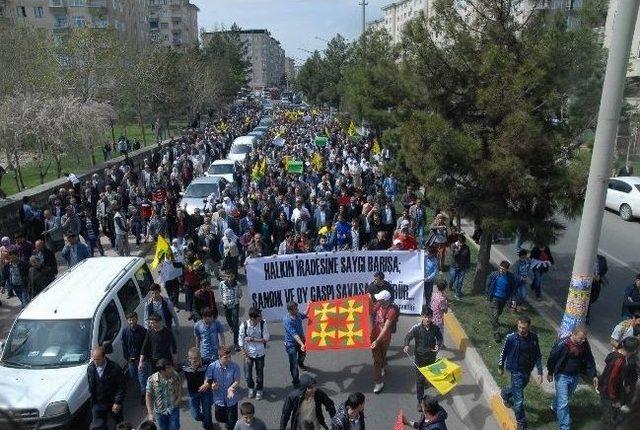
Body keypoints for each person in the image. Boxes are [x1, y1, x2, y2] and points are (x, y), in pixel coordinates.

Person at [546, 326, 598, 430]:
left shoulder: (584, 344)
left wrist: (593, 375)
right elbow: (552, 358)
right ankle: (564, 426)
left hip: (575, 376)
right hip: (562, 376)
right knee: (564, 402)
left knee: (565, 398)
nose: (583, 340)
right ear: (573, 335)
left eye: (584, 338)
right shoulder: (562, 344)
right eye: (580, 338)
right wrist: (550, 372)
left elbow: (589, 359)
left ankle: (554, 406)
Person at [498, 316, 543, 430]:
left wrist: (540, 371)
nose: (521, 330)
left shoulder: (533, 338)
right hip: (516, 371)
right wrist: (500, 365)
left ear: (529, 327)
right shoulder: (511, 338)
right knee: (519, 400)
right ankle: (521, 423)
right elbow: (504, 352)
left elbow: (537, 354)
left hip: (527, 371)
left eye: (524, 328)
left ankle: (505, 394)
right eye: (519, 327)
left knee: (515, 389)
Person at [403, 306, 443, 408]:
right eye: (426, 317)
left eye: (430, 317)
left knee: (429, 376)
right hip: (419, 360)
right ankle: (420, 401)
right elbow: (408, 336)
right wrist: (406, 345)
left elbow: (440, 338)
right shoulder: (416, 328)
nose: (428, 319)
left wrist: (438, 345)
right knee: (419, 380)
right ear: (422, 316)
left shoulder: (435, 328)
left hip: (431, 358)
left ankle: (427, 381)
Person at [599, 336, 639, 429]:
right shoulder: (619, 361)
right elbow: (611, 381)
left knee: (610, 416)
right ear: (633, 350)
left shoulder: (617, 356)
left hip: (611, 394)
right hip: (609, 395)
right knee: (608, 422)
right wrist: (614, 399)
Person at [87, 346, 125, 429]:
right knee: (98, 426)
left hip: (113, 402)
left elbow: (121, 386)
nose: (95, 362)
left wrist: (118, 402)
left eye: (98, 359)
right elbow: (91, 384)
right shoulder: (91, 368)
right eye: (94, 359)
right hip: (98, 403)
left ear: (104, 357)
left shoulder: (115, 368)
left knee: (119, 424)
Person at [205, 346, 241, 430]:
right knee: (219, 418)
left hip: (231, 399)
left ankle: (231, 425)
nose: (229, 359)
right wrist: (211, 385)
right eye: (226, 357)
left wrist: (231, 388)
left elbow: (237, 381)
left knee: (232, 424)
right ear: (219, 357)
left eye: (230, 357)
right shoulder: (212, 367)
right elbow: (207, 380)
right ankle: (228, 422)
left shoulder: (235, 366)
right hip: (219, 399)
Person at [370, 290, 399, 394]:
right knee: (377, 360)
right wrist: (368, 298)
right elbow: (370, 311)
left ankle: (383, 365)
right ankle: (378, 383)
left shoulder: (392, 311)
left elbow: (386, 327)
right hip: (374, 336)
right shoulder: (378, 304)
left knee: (383, 354)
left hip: (384, 338)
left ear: (385, 301)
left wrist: (377, 341)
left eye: (380, 300)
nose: (377, 301)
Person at [239, 307, 270, 400]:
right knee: (248, 375)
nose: (260, 318)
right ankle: (251, 388)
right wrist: (245, 354)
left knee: (259, 374)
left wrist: (253, 339)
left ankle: (259, 389)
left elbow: (266, 338)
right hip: (248, 353)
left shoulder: (263, 324)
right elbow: (240, 341)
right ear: (252, 318)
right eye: (258, 317)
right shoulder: (244, 325)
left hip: (260, 353)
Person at [145, 358, 182, 430]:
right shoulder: (152, 380)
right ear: (162, 371)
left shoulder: (175, 375)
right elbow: (148, 396)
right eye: (169, 368)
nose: (172, 369)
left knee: (175, 428)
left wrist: (179, 398)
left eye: (171, 367)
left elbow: (179, 386)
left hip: (173, 408)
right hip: (160, 412)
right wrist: (150, 413)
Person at [182, 347, 213, 430]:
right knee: (195, 415)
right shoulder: (184, 365)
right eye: (193, 360)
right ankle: (204, 419)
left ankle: (208, 426)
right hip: (193, 392)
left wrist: (208, 383)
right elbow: (172, 371)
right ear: (188, 359)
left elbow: (213, 374)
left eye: (197, 359)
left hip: (206, 391)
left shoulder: (207, 362)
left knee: (207, 412)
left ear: (200, 357)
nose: (195, 362)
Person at [485, 261, 517, 343]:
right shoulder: (494, 275)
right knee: (495, 315)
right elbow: (488, 284)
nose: (501, 270)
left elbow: (513, 289)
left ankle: (494, 321)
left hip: (503, 299)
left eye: (503, 269)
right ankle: (496, 333)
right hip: (495, 298)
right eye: (500, 268)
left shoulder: (510, 277)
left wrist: (513, 299)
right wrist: (487, 295)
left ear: (507, 269)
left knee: (499, 313)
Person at [122, 312, 147, 401]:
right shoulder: (125, 331)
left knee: (142, 377)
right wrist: (127, 357)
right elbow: (124, 345)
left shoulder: (143, 331)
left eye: (133, 319)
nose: (131, 322)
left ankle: (144, 395)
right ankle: (142, 390)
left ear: (137, 319)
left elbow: (145, 345)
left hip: (141, 359)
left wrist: (143, 358)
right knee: (134, 376)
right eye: (129, 320)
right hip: (131, 360)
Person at [283, 301, 308, 387]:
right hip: (291, 344)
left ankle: (300, 363)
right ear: (290, 311)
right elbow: (294, 334)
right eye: (295, 309)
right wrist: (302, 344)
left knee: (303, 355)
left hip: (301, 341)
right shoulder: (287, 320)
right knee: (293, 364)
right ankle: (296, 382)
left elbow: (304, 315)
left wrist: (309, 306)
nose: (297, 310)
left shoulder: (297, 314)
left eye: (297, 308)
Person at [220, 270, 242, 350]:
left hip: (235, 305)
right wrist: (225, 300)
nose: (229, 278)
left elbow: (240, 294)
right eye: (228, 276)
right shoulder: (222, 284)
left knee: (236, 323)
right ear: (225, 277)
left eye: (231, 276)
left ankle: (236, 343)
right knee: (228, 318)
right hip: (226, 305)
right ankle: (231, 327)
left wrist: (235, 299)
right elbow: (221, 292)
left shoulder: (238, 284)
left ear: (234, 276)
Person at [449, 235, 470, 300]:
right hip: (454, 266)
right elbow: (454, 255)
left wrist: (468, 265)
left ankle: (457, 294)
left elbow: (468, 257)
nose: (462, 244)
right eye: (461, 242)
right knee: (453, 279)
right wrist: (458, 249)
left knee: (460, 281)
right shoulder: (453, 245)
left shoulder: (466, 247)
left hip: (462, 267)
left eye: (463, 242)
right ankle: (450, 285)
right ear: (458, 241)